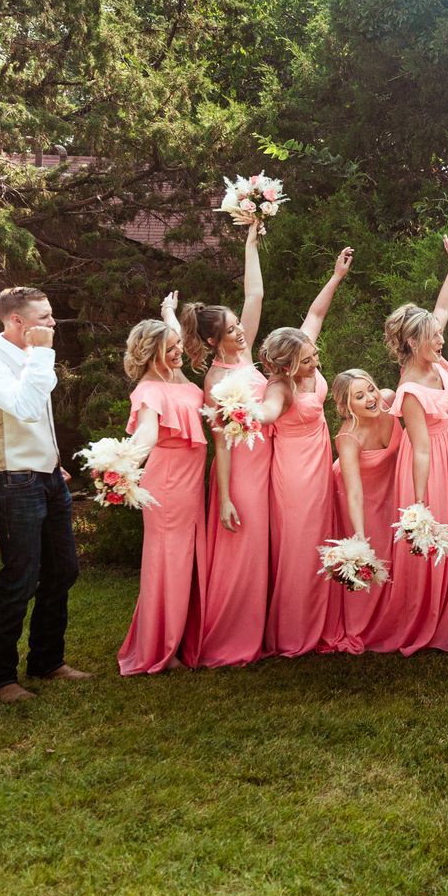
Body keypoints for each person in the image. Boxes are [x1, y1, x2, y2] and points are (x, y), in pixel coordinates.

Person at [0, 283, 90, 705]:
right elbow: (22, 406)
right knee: (20, 577)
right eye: (44, 318)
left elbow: (38, 418)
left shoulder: (32, 357)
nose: (53, 323)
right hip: (11, 480)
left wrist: (52, 459)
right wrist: (42, 354)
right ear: (16, 321)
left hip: (45, 476)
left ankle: (46, 660)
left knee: (63, 570)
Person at [366, 238, 448, 655]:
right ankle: (417, 616)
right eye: (434, 339)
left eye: (440, 336)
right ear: (412, 343)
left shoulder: (434, 357)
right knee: (428, 529)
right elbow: (420, 448)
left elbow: (441, 309)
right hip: (426, 464)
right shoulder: (410, 387)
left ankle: (442, 608)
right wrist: (421, 500)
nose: (441, 341)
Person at [182, 221, 272, 667]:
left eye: (239, 326)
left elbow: (254, 295)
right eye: (231, 329)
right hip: (242, 474)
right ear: (213, 340)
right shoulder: (215, 379)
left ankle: (260, 630)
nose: (239, 332)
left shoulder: (249, 352)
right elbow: (220, 445)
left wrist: (250, 245)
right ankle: (229, 639)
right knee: (246, 552)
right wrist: (226, 498)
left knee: (264, 552)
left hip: (270, 463)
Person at [260, 248, 354, 658]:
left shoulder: (305, 362)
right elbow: (265, 413)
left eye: (314, 355)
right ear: (287, 365)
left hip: (318, 461)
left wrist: (335, 277)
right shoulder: (280, 388)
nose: (317, 361)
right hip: (295, 472)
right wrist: (241, 412)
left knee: (320, 537)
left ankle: (322, 617)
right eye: (309, 359)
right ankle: (295, 630)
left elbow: (314, 316)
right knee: (300, 546)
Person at [116, 296, 208, 676]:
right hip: (168, 484)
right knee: (168, 563)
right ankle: (160, 647)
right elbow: (147, 436)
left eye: (177, 346)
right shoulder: (149, 390)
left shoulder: (177, 377)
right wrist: (119, 470)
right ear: (152, 354)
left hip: (190, 483)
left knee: (186, 561)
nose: (179, 352)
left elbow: (178, 340)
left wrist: (168, 311)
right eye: (170, 350)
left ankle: (184, 640)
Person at [327, 368, 403, 653]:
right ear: (347, 407)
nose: (371, 397)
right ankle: (361, 625)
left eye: (370, 388)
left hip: (391, 486)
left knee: (395, 553)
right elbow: (353, 491)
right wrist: (359, 536)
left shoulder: (389, 399)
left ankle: (394, 620)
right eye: (360, 396)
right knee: (374, 551)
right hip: (358, 495)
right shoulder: (348, 436)